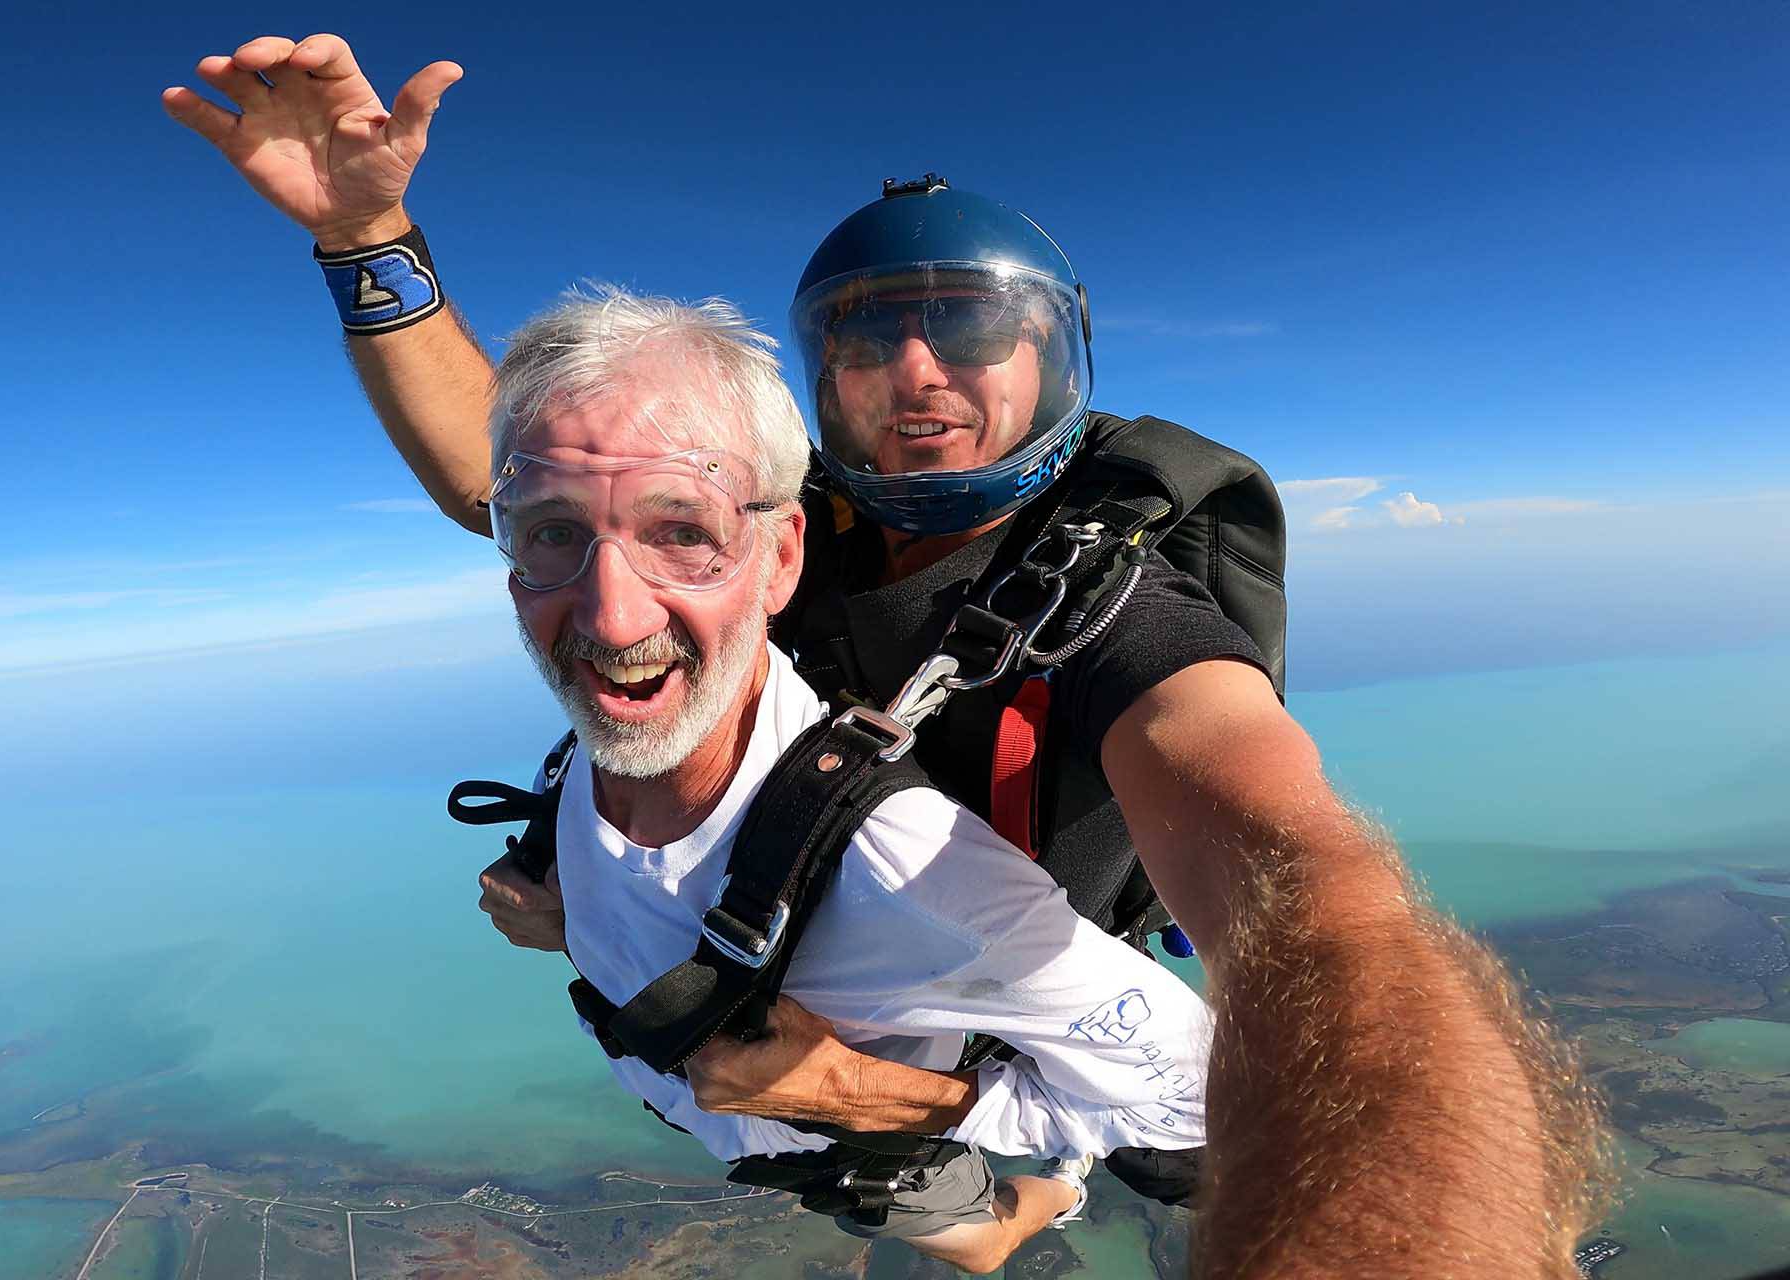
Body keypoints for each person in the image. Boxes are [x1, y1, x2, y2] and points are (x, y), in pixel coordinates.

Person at [166, 35, 1609, 1278]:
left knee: (1185, 1176)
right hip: (867, 1004)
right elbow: (519, 472)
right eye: (871, 338)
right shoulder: (770, 528)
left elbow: (1314, 888)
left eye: (969, 330)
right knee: (953, 1215)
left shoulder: (1120, 609)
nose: (919, 370)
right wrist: (368, 246)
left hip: (1073, 1023)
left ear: (1054, 357)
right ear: (821, 382)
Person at [449, 283, 1215, 1271]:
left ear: (778, 559)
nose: (611, 615)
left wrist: (847, 1093)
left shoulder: (909, 872)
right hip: (763, 1138)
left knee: (978, 1236)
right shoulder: (610, 746)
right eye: (552, 528)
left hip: (863, 1145)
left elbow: (1200, 1094)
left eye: (681, 529)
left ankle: (1045, 1199)